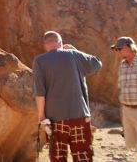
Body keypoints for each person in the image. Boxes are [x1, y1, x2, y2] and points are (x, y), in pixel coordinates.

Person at [32, 31, 103, 162]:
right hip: (79, 115)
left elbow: (40, 92)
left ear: (45, 45)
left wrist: (41, 117)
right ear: (61, 43)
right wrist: (75, 50)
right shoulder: (73, 54)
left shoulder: (39, 61)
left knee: (58, 156)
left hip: (55, 118)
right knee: (83, 155)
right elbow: (97, 63)